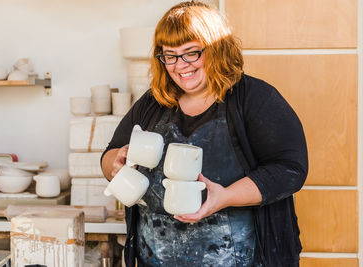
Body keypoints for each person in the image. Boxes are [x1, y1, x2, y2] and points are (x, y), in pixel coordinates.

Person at [101, 1, 308, 266]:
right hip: (155, 258)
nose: (180, 65)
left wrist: (226, 197)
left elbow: (290, 169)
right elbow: (110, 155)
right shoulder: (153, 103)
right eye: (170, 55)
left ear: (217, 49)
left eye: (191, 52)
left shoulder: (255, 99)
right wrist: (115, 164)